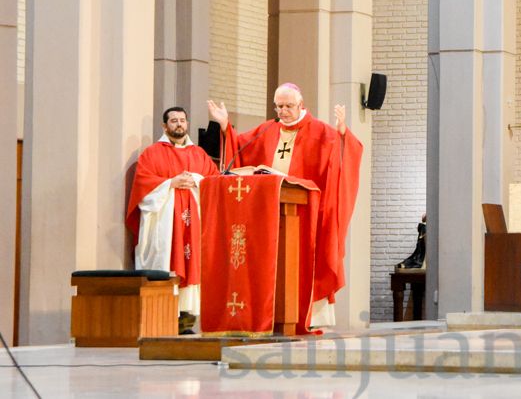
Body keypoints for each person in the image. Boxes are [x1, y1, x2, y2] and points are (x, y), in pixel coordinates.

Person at [207, 83, 363, 329]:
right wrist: (226, 126)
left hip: (305, 217)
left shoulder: (322, 132)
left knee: (300, 268)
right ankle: (270, 315)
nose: (283, 111)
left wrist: (343, 133)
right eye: (279, 106)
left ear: (301, 105)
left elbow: (345, 162)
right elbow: (239, 149)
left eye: (289, 106)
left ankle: (305, 317)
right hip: (269, 215)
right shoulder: (266, 130)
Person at [126, 106, 219, 331]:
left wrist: (196, 180)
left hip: (192, 223)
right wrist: (170, 183)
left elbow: (215, 181)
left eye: (182, 120)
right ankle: (162, 317)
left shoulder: (199, 154)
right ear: (164, 126)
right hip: (165, 224)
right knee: (167, 261)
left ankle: (187, 320)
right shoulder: (151, 153)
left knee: (192, 261)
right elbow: (142, 187)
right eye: (174, 120)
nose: (179, 124)